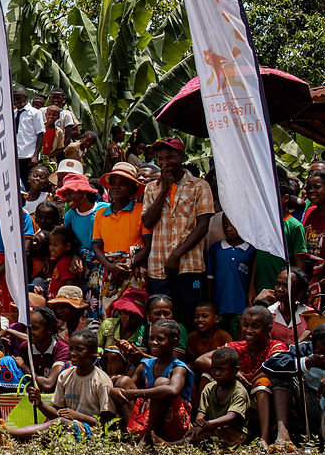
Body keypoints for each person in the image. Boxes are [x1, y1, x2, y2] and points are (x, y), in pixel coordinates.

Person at [141, 137, 214, 325]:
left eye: (171, 157)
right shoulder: (152, 188)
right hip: (158, 267)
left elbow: (202, 226)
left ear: (181, 156)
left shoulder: (199, 186)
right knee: (162, 320)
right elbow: (147, 221)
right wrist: (164, 189)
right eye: (161, 158)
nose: (165, 162)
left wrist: (176, 255)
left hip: (190, 266)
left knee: (189, 318)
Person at [0, 328, 113, 442]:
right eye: (71, 349)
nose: (73, 353)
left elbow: (107, 424)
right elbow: (55, 414)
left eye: (79, 349)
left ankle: (7, 434)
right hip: (70, 428)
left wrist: (77, 416)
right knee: (54, 425)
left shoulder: (102, 381)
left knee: (61, 423)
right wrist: (39, 403)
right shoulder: (65, 376)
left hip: (93, 433)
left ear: (93, 353)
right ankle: (10, 436)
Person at [197, 305, 286, 445]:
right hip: (234, 393)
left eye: (255, 326)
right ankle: (200, 423)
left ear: (268, 329)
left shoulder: (276, 346)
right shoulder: (236, 347)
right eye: (245, 325)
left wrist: (249, 381)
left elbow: (274, 367)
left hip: (261, 397)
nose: (249, 330)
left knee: (262, 383)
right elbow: (201, 360)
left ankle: (265, 437)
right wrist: (235, 374)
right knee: (207, 375)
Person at [111, 318, 194, 445]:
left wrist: (136, 393)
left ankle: (147, 438)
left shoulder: (179, 368)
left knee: (162, 383)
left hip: (172, 424)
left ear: (174, 342)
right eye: (151, 338)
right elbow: (128, 391)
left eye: (160, 339)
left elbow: (173, 390)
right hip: (146, 420)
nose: (153, 343)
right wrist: (115, 390)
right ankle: (135, 436)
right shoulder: (146, 365)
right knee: (123, 381)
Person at [91, 162, 147, 317]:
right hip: (109, 271)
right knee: (110, 314)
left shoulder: (141, 211)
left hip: (133, 269)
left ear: (132, 188)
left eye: (122, 184)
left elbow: (148, 245)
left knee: (133, 313)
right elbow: (97, 246)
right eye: (113, 184)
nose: (116, 187)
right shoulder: (101, 214)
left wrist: (129, 264)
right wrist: (110, 267)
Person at [264, 324, 325, 446]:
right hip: (310, 403)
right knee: (282, 376)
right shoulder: (304, 349)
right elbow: (269, 365)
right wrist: (307, 363)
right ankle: (283, 435)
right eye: (319, 353)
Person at [186, 346, 249, 447]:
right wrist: (199, 423)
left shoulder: (239, 392)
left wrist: (207, 424)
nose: (216, 373)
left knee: (206, 435)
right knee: (194, 432)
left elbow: (231, 417)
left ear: (235, 370)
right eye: (213, 369)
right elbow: (202, 411)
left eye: (222, 370)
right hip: (211, 427)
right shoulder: (209, 388)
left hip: (235, 433)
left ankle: (173, 445)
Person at [207, 212, 255, 332]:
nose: (228, 229)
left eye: (232, 225)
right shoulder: (216, 249)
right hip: (219, 307)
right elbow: (210, 278)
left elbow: (252, 279)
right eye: (225, 225)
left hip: (240, 307)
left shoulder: (250, 250)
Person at [12, 85, 44, 188]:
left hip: (29, 156)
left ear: (25, 97)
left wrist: (35, 155)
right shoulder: (13, 113)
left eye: (19, 98)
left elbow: (40, 134)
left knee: (29, 184)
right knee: (17, 185)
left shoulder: (35, 113)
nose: (16, 101)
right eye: (14, 99)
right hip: (16, 156)